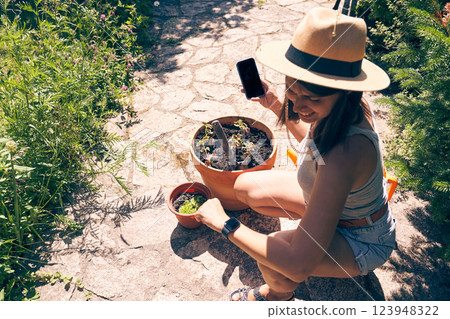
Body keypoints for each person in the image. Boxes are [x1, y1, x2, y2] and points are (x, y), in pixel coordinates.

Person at [194, 7, 397, 301]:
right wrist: (276, 102)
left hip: (362, 238)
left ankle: (276, 297)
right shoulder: (346, 108)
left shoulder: (344, 155)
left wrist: (223, 223)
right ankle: (318, 227)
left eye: (312, 98)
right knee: (245, 188)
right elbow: (316, 146)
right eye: (293, 89)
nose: (299, 106)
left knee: (275, 257)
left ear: (346, 91)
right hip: (338, 205)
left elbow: (298, 265)